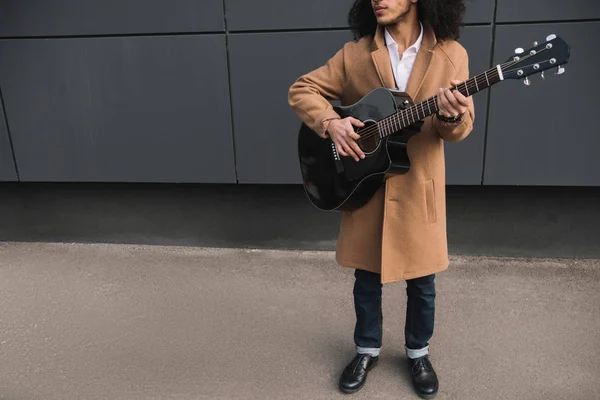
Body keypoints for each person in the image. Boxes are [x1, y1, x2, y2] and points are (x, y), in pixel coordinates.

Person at [288, 0, 474, 398]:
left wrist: (452, 116)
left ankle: (418, 353)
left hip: (418, 185)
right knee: (366, 279)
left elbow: (458, 131)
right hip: (364, 185)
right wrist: (331, 122)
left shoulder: (451, 54)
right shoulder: (356, 53)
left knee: (423, 283)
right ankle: (367, 348)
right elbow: (302, 88)